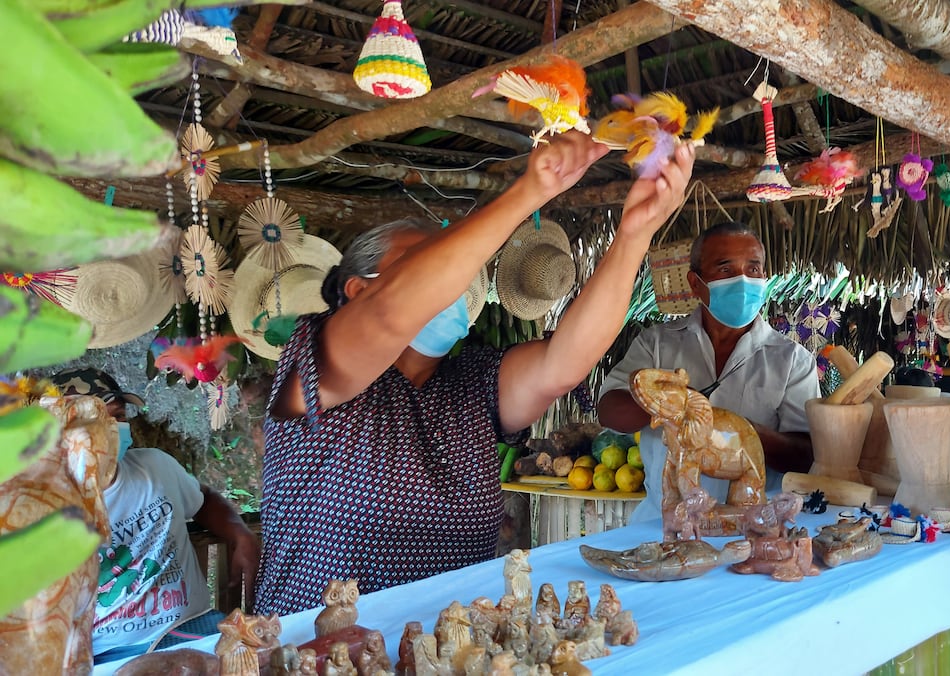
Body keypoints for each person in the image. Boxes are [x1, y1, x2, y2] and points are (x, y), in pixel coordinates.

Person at [256, 131, 694, 615]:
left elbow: (564, 363)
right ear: (359, 290)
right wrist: (530, 190)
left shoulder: (472, 383)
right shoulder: (314, 364)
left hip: (451, 647)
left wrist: (635, 234)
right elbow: (389, 315)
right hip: (321, 651)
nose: (453, 282)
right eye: (423, 265)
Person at [596, 222, 821, 523]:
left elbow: (807, 456)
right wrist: (672, 404)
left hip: (752, 527)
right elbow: (609, 411)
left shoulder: (793, 360)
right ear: (695, 282)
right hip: (663, 524)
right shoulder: (657, 344)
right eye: (725, 269)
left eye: (753, 269)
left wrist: (734, 430)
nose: (743, 281)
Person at [50, 368, 259, 664]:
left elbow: (203, 500)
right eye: (94, 418)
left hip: (194, 627)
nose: (112, 427)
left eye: (119, 415)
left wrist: (240, 533)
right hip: (109, 653)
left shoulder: (155, 468)